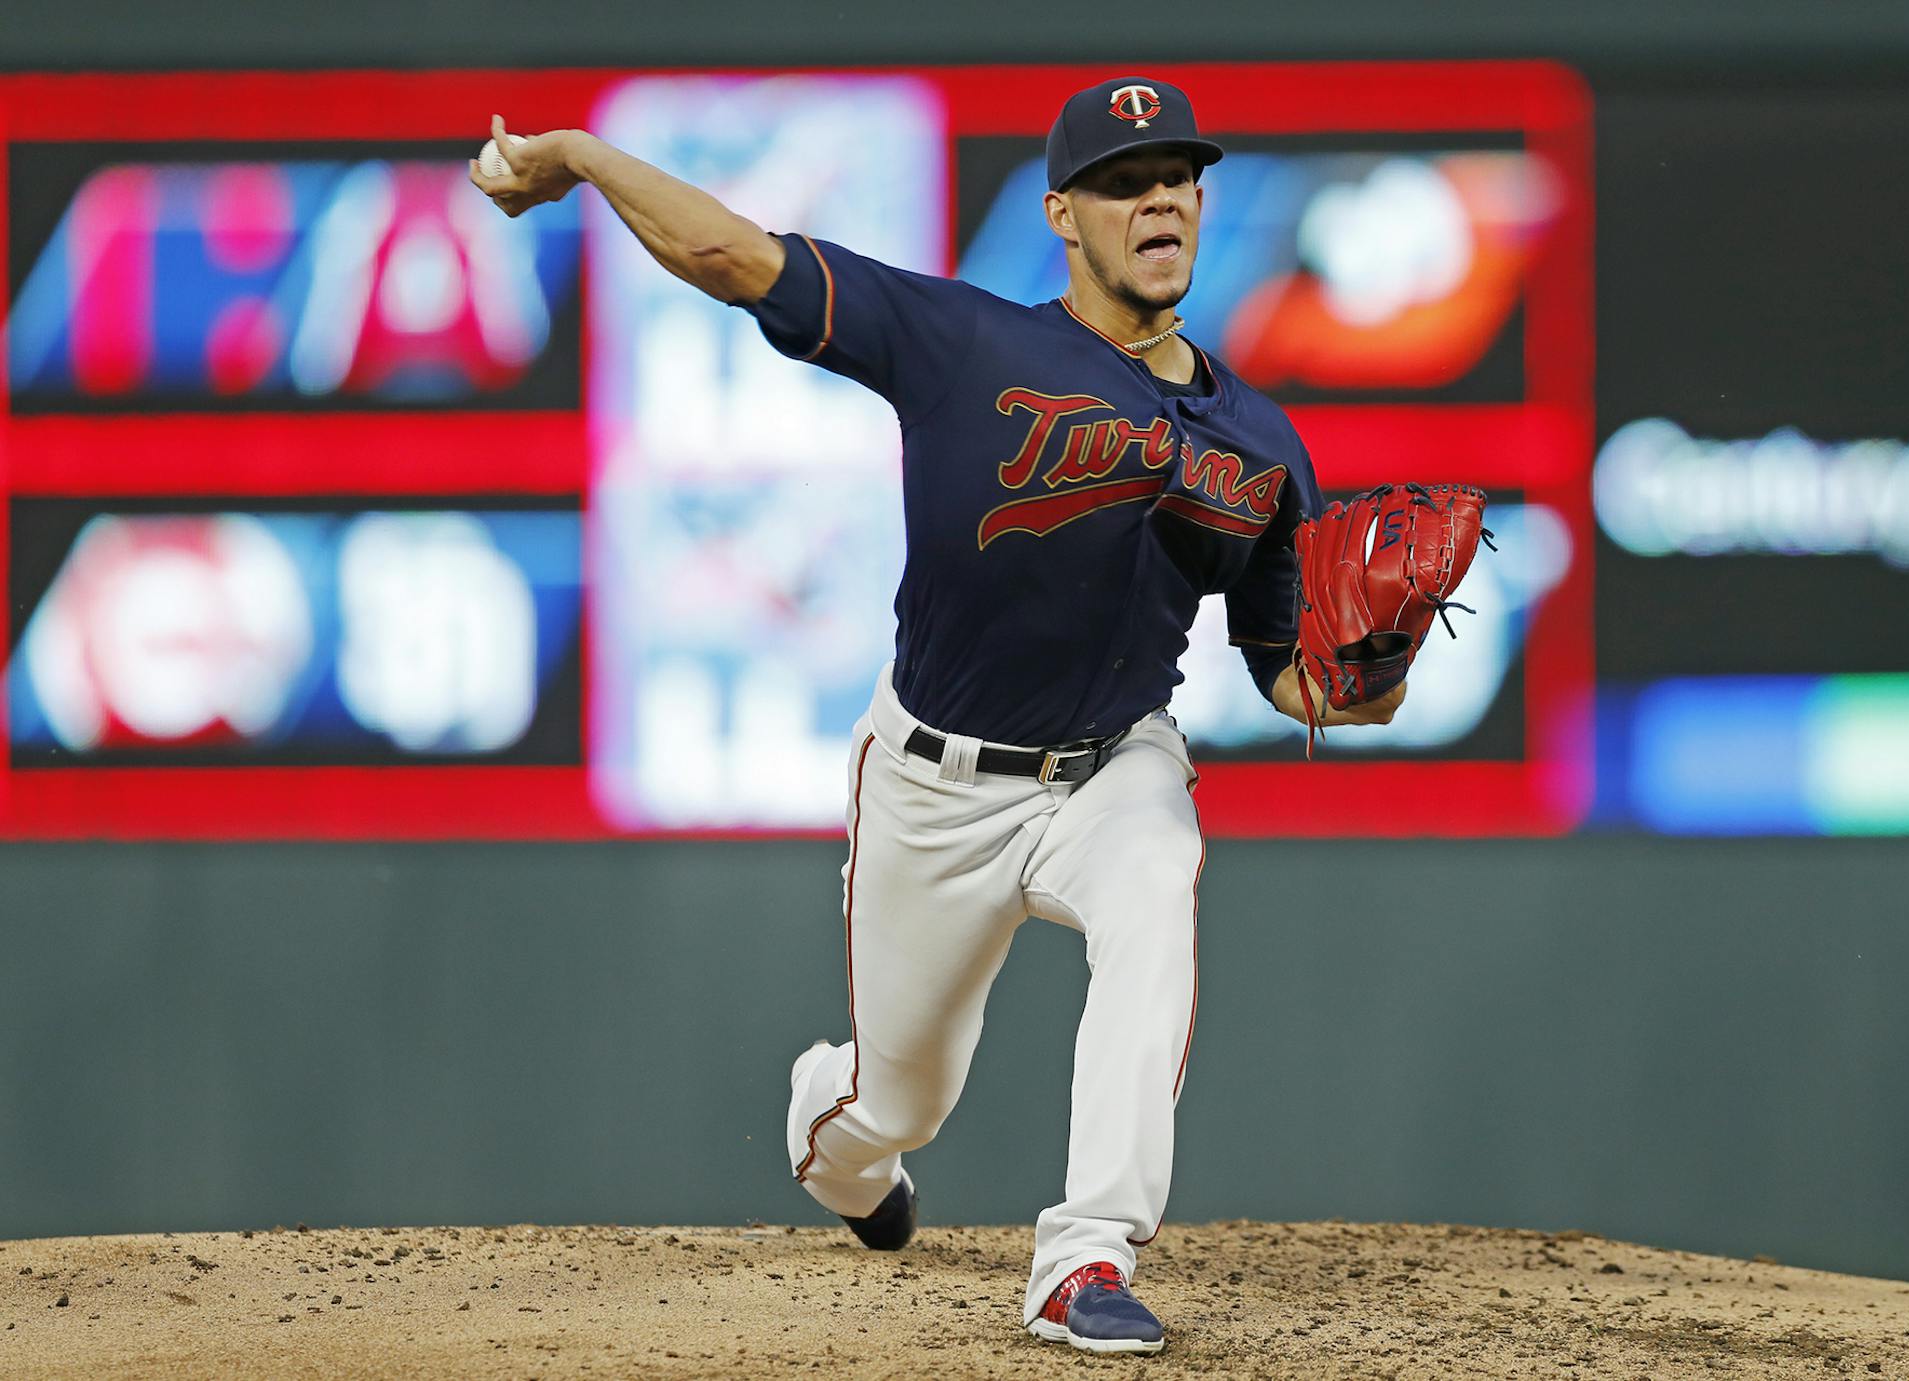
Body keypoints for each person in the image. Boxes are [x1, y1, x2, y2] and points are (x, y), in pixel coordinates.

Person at [473, 74, 1404, 1356]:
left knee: (1160, 881)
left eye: (1179, 177)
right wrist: (578, 155)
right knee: (892, 1104)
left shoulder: (1257, 443)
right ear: (1062, 215)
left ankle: (1085, 1257)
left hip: (1112, 766)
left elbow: (1297, 683)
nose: (1161, 201)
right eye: (1126, 182)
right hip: (931, 777)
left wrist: (1379, 662)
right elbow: (733, 255)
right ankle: (842, 1143)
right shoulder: (966, 341)